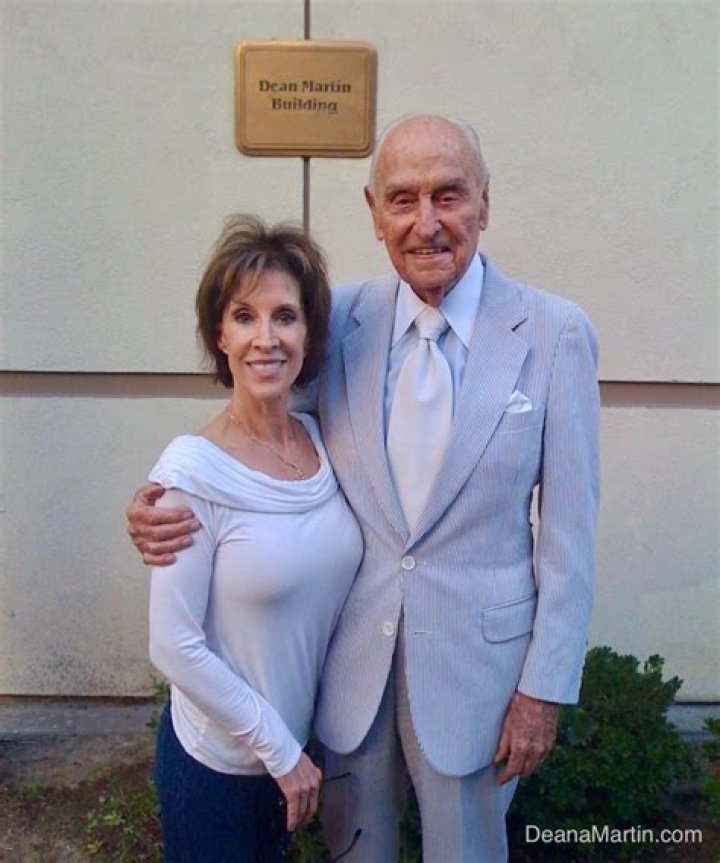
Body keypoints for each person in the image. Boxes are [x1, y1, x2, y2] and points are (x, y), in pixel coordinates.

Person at [128, 114, 600, 863]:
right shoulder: (336, 318)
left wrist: (543, 690)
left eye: (449, 195)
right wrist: (165, 498)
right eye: (403, 199)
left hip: (480, 679)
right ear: (375, 213)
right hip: (352, 680)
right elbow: (255, 432)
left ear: (485, 201)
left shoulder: (555, 333)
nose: (426, 223)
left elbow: (570, 537)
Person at [143, 215, 363, 862]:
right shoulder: (192, 473)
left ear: (308, 333)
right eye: (244, 316)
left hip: (291, 758)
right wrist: (279, 749)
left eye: (284, 316)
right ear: (220, 335)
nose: (265, 339)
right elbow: (173, 643)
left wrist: (293, 751)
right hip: (218, 767)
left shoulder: (321, 440)